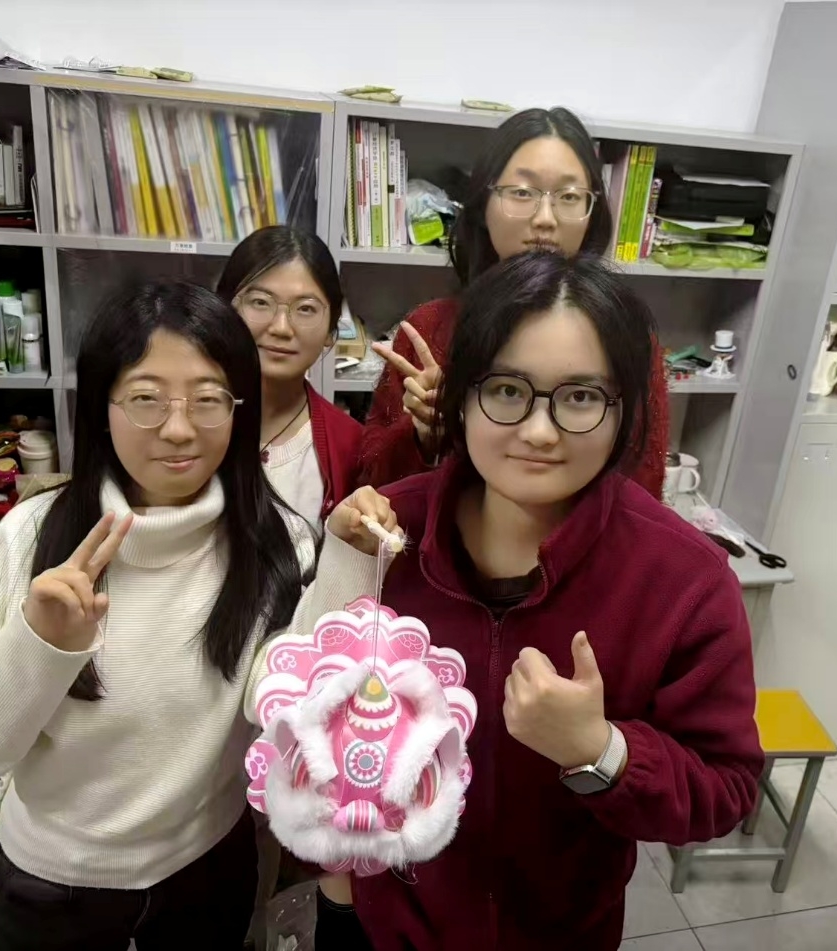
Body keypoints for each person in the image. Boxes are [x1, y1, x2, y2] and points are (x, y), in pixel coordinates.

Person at [0, 281, 395, 951]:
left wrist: (348, 557)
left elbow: (283, 699)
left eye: (208, 399)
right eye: (146, 398)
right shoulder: (33, 537)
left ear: (240, 408)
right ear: (102, 408)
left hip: (209, 869)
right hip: (55, 885)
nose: (178, 428)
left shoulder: (274, 541)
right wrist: (39, 644)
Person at [314, 252, 762, 950]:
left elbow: (726, 789)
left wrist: (601, 751)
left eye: (580, 397)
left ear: (624, 411)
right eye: (506, 390)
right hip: (394, 923)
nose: (540, 431)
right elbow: (304, 713)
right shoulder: (382, 534)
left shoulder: (685, 579)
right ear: (461, 395)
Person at [356, 107, 669, 498]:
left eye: (570, 196)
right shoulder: (430, 331)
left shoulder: (627, 338)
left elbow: (641, 493)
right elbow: (373, 489)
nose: (545, 218)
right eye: (522, 193)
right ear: (483, 206)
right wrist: (423, 435)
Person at [215, 225, 362, 530]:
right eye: (260, 302)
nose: (281, 327)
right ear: (224, 309)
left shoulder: (350, 446)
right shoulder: (183, 421)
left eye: (306, 309)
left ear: (331, 331)